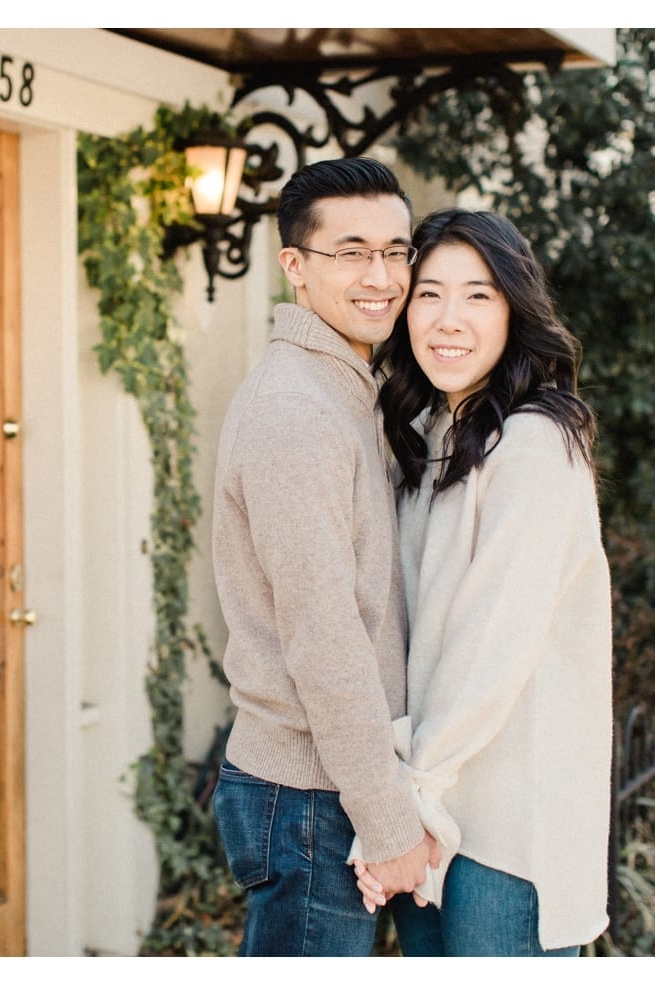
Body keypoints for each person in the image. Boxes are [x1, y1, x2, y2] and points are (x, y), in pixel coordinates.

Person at [351, 208, 613, 956]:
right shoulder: (429, 435)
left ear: (513, 311)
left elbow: (491, 644)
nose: (448, 320)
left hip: (504, 826)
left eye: (478, 295)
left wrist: (411, 794)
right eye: (429, 294)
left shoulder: (533, 444)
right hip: (429, 807)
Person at [210, 157, 440, 957]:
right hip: (308, 792)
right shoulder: (295, 410)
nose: (381, 276)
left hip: (324, 784)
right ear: (296, 267)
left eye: (396, 250)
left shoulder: (345, 388)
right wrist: (386, 819)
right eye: (351, 252)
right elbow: (323, 635)